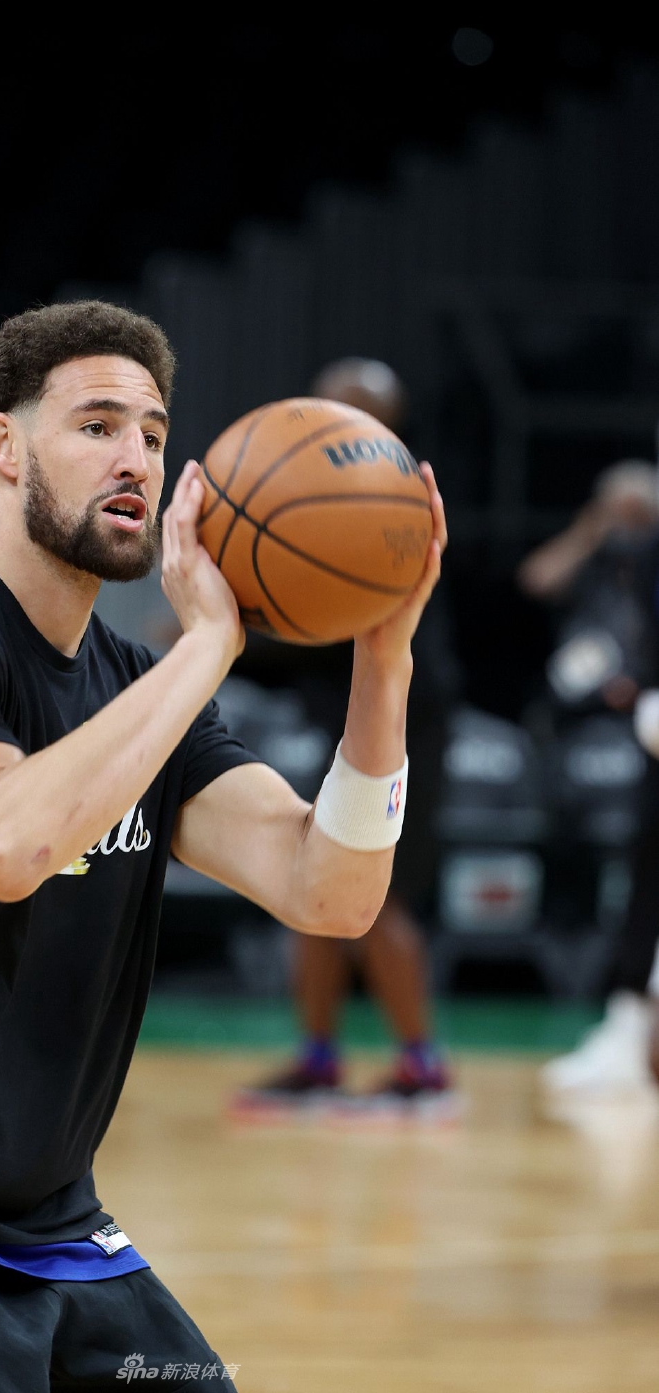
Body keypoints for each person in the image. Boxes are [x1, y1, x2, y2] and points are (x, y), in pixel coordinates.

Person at [0, 300, 446, 1391]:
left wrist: (383, 659)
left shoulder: (141, 691)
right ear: (4, 448)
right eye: (97, 426)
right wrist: (207, 645)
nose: (135, 460)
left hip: (51, 1219)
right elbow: (3, 840)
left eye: (153, 435)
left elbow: (330, 891)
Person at [233, 357, 463, 1118]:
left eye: (348, 406)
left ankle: (422, 1066)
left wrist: (227, 632)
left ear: (382, 423)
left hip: (403, 713)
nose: (326, 413)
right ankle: (319, 1057)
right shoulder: (306, 484)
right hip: (335, 707)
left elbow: (327, 617)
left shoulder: (390, 498)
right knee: (314, 878)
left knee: (376, 894)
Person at [518, 460, 659, 1096]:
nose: (631, 525)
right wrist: (594, 527)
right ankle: (624, 1028)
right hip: (585, 734)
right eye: (620, 511)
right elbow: (536, 578)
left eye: (640, 514)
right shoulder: (601, 560)